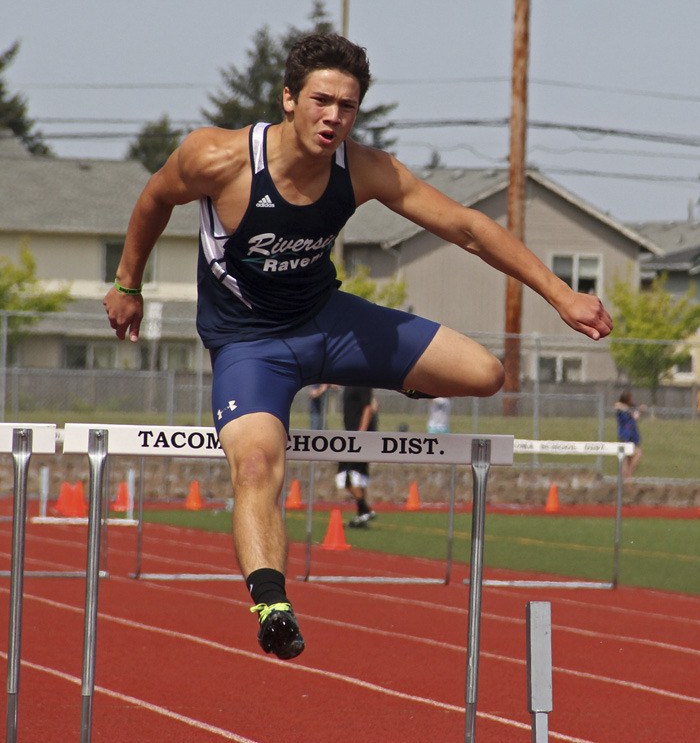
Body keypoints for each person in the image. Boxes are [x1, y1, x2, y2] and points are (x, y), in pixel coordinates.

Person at [103, 33, 613, 660]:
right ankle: (272, 605)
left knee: (486, 373)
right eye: (321, 101)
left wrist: (560, 294)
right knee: (257, 464)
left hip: (329, 323)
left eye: (348, 106)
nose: (333, 118)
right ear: (289, 99)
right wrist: (128, 283)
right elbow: (154, 198)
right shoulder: (218, 157)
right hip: (250, 345)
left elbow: (470, 229)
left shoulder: (365, 169)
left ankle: (388, 372)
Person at [335, 386, 378, 528]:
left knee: (347, 476)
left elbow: (368, 407)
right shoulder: (349, 385)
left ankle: (364, 509)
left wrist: (361, 433)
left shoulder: (362, 384)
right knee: (356, 476)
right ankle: (363, 512)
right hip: (351, 436)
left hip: (357, 438)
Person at [614, 390, 644, 479]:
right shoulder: (621, 408)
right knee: (638, 454)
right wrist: (630, 411)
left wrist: (639, 410)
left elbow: (636, 417)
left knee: (628, 458)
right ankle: (628, 475)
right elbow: (617, 405)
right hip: (625, 436)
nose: (632, 400)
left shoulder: (631, 408)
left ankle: (626, 479)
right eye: (630, 398)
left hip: (632, 436)